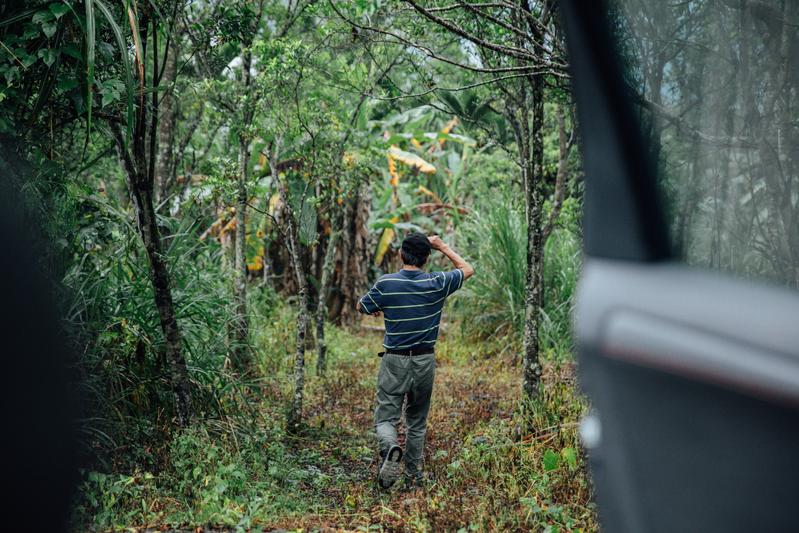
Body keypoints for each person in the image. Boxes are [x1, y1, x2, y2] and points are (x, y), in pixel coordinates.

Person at [357, 232, 474, 490]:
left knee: (386, 419)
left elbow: (362, 306)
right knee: (417, 422)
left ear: (401, 254)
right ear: (426, 258)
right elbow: (467, 268)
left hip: (394, 361)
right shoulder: (437, 282)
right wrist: (442, 245)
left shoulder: (386, 284)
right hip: (424, 361)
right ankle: (413, 478)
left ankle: (390, 449)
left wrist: (379, 306)